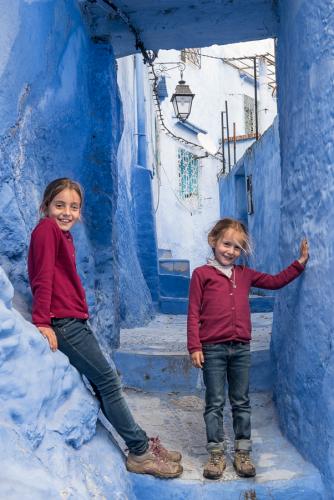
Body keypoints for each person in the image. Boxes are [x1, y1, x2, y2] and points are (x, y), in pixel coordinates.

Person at [28, 178, 183, 479]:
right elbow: (42, 278)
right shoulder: (47, 230)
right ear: (45, 206)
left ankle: (140, 440)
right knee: (109, 382)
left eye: (74, 207)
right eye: (59, 205)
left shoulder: (63, 237)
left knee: (105, 383)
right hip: (63, 323)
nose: (66, 213)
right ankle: (139, 452)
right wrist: (43, 321)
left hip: (72, 321)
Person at [187, 218, 309, 480]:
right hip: (213, 349)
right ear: (213, 241)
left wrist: (298, 264)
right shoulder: (201, 275)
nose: (230, 251)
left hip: (241, 348)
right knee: (215, 402)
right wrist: (194, 346)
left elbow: (275, 282)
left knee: (241, 401)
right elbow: (193, 312)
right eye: (226, 244)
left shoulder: (245, 275)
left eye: (237, 247)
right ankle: (216, 453)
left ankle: (242, 452)